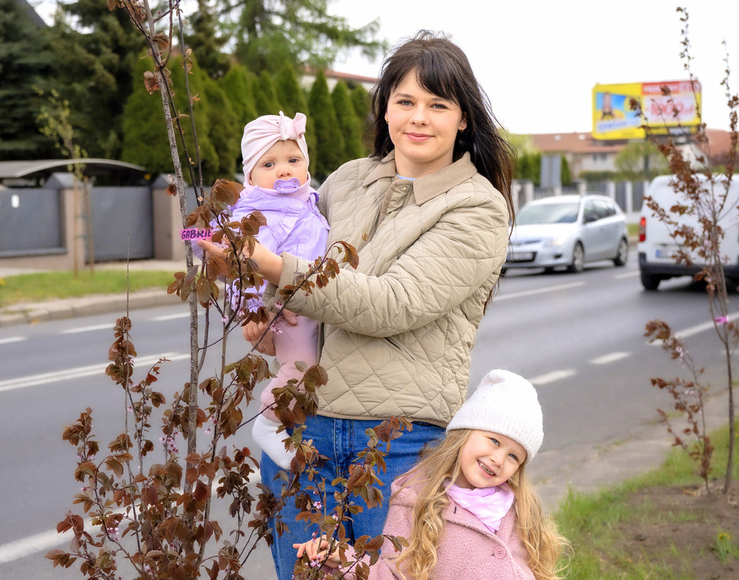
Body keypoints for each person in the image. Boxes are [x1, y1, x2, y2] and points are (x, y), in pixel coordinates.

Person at [199, 30, 515, 579]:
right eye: (405, 101)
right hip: (304, 429)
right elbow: (288, 246)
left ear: (463, 118)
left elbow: (394, 303)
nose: (418, 118)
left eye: (438, 105)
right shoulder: (346, 180)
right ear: (385, 108)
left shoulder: (477, 208)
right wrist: (247, 286)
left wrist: (274, 269)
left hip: (398, 443)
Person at [294, 370, 568, 580]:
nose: (498, 459)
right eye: (494, 441)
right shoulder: (416, 500)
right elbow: (394, 573)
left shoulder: (517, 508)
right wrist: (343, 558)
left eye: (514, 457)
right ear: (465, 432)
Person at [229, 111, 330, 469]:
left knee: (310, 370)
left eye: (293, 160)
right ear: (250, 176)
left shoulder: (309, 201)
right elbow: (240, 265)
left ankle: (290, 420)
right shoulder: (258, 214)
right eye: (269, 164)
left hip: (313, 302)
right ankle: (269, 424)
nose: (284, 171)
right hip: (285, 311)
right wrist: (252, 311)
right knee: (302, 368)